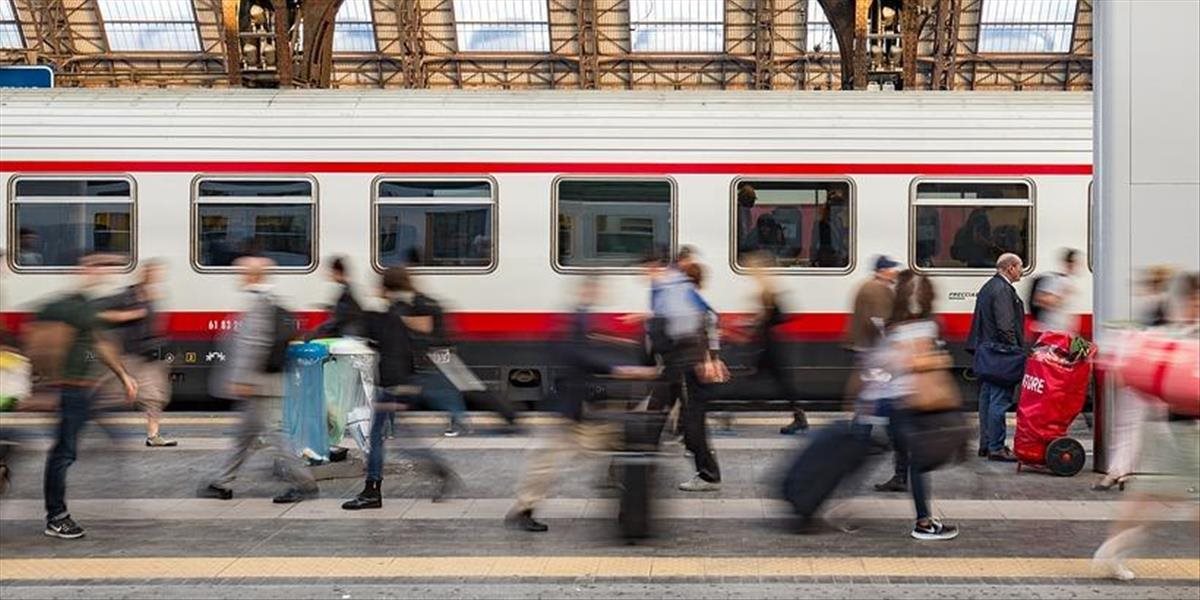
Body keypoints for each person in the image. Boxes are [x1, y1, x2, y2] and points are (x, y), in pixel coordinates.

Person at [505, 277, 656, 532]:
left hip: (580, 405)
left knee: (617, 444)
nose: (600, 292)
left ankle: (628, 503)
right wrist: (619, 369)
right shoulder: (573, 319)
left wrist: (614, 346)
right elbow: (578, 354)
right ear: (586, 289)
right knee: (548, 457)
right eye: (596, 288)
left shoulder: (581, 318)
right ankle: (523, 509)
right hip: (569, 405)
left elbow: (587, 346)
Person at [1093, 272, 1200, 580]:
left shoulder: (1171, 335)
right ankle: (1110, 552)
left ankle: (1110, 551)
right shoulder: (1180, 337)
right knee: (1155, 499)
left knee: (1149, 499)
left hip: (1169, 429)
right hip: (1182, 432)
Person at [198, 256, 319, 504]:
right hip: (264, 381)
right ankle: (221, 482)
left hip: (260, 383)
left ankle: (305, 483)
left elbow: (255, 344)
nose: (239, 276)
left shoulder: (258, 303)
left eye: (242, 272)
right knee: (243, 436)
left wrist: (242, 378)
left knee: (277, 435)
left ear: (254, 275)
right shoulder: (268, 300)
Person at [39, 254, 138, 539]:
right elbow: (48, 344)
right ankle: (56, 517)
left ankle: (56, 514)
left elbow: (100, 344)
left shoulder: (87, 307)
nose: (105, 272)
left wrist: (123, 376)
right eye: (99, 266)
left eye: (107, 268)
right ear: (83, 269)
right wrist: (51, 386)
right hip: (68, 389)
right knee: (63, 453)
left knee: (64, 452)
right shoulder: (65, 306)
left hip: (82, 390)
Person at [342, 267, 458, 510]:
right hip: (407, 381)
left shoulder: (393, 314)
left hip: (393, 385)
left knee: (381, 438)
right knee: (401, 438)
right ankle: (439, 472)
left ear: (386, 287)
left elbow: (392, 350)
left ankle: (373, 490)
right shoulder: (411, 309)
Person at [873, 271, 960, 540]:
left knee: (909, 459)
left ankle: (923, 519)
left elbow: (884, 364)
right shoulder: (929, 327)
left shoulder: (892, 328)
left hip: (897, 402)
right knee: (920, 462)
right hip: (919, 405)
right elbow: (933, 361)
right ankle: (923, 523)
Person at [95, 259, 175, 447]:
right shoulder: (126, 295)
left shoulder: (153, 296)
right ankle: (82, 419)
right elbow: (97, 312)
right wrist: (125, 316)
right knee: (111, 394)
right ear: (143, 274)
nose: (155, 276)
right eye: (152, 272)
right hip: (129, 354)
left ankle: (153, 436)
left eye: (157, 273)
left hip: (150, 355)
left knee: (154, 397)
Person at [966, 252, 1026, 462]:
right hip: (1000, 355)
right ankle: (996, 447)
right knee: (999, 400)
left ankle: (986, 443)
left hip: (987, 353)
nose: (1022, 271)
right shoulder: (1002, 290)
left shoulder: (989, 286)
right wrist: (1015, 351)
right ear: (1010, 267)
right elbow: (1005, 325)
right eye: (1020, 267)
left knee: (987, 399)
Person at [741, 252, 810, 434]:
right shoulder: (767, 289)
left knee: (775, 382)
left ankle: (726, 413)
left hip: (770, 346)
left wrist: (758, 323)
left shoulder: (767, 290)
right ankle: (798, 417)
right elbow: (777, 316)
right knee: (779, 383)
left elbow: (776, 317)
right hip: (769, 344)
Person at [310, 256, 363, 339]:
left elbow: (337, 319)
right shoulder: (347, 290)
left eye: (332, 272)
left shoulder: (346, 294)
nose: (330, 275)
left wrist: (315, 332)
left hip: (349, 334)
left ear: (338, 273)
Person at [1030, 248, 1080, 334]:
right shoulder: (1055, 280)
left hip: (1063, 332)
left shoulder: (1070, 281)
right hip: (1051, 332)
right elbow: (1040, 299)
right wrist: (1062, 295)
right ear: (1070, 264)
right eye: (1077, 263)